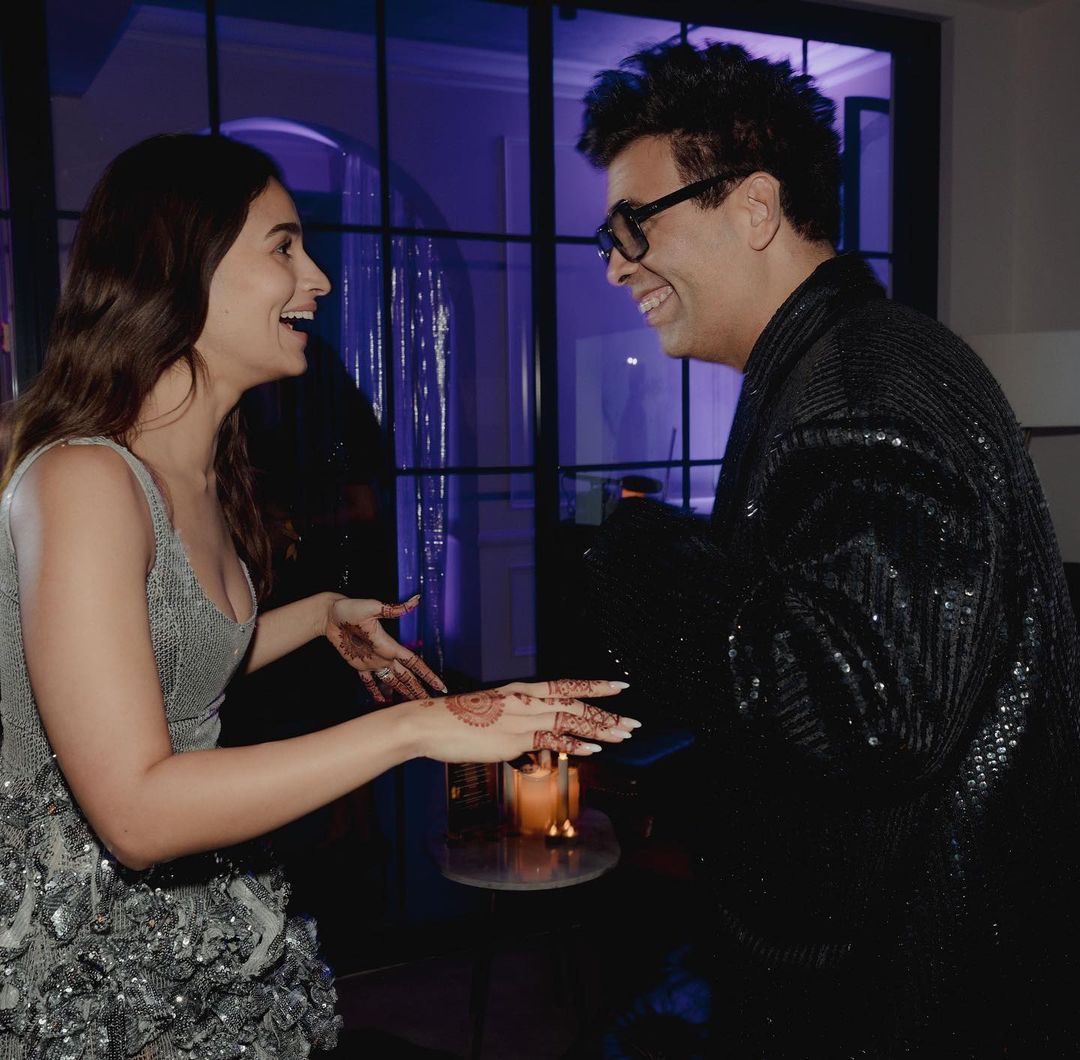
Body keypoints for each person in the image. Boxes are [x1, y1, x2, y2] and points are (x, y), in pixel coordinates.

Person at [0, 133, 636, 1059]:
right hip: (82, 963)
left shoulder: (200, 472)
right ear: (181, 266)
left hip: (198, 917)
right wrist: (416, 729)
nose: (320, 279)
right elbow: (134, 815)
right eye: (284, 246)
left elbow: (161, 666)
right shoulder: (85, 480)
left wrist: (320, 615)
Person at [577, 41, 1080, 1057]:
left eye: (633, 223)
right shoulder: (838, 363)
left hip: (905, 993)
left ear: (755, 207)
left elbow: (865, 709)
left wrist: (646, 560)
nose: (617, 261)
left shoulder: (858, 385)